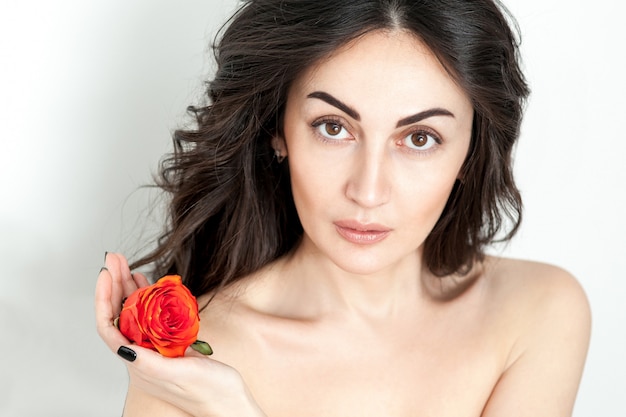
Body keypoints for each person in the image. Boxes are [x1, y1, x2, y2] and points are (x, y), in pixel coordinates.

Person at [95, 0, 591, 415]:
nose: (368, 191)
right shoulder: (196, 365)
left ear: (470, 152)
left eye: (420, 138)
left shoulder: (537, 311)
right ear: (278, 130)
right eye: (333, 127)